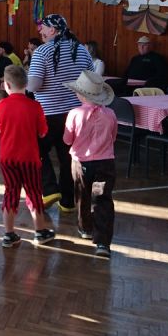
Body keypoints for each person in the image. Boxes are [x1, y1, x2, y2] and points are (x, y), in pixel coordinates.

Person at [27, 14, 94, 213]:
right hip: (76, 114)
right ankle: (67, 201)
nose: (40, 31)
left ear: (53, 30)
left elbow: (34, 85)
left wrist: (25, 82)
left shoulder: (42, 51)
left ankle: (48, 189)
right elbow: (92, 79)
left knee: (34, 149)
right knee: (67, 157)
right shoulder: (81, 50)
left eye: (43, 27)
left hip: (48, 114)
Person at [0, 65, 54, 248]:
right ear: (26, 84)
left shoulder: (1, 105)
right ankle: (40, 232)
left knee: (10, 192)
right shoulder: (35, 106)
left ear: (6, 85)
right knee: (34, 192)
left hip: (7, 157)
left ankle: (8, 234)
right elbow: (43, 132)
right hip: (29, 157)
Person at [62, 71, 118, 258]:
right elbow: (113, 137)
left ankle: (85, 228)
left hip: (81, 163)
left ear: (81, 94)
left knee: (82, 195)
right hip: (105, 163)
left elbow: (67, 140)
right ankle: (103, 243)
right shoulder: (110, 114)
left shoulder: (74, 114)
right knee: (102, 199)